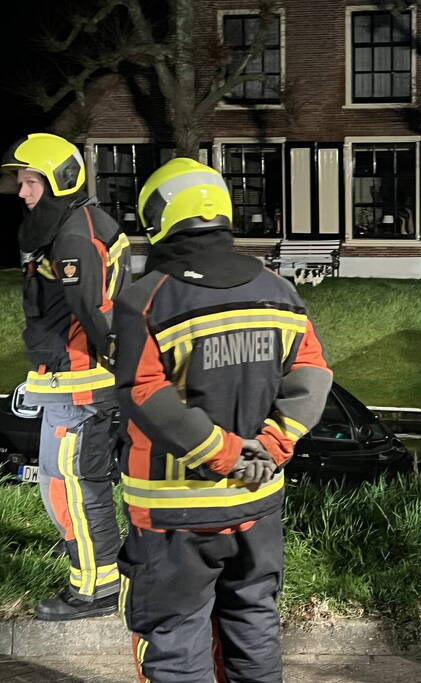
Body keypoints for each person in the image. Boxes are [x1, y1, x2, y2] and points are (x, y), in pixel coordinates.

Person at [112, 158, 332, 682]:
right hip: (257, 502)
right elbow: (312, 372)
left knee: (174, 640)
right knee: (253, 624)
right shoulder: (278, 289)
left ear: (159, 217)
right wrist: (274, 445)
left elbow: (144, 392)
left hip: (174, 513)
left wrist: (222, 453)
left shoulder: (145, 299)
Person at [0, 132, 131, 620]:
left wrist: (109, 362)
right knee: (68, 483)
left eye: (30, 181)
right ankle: (89, 557)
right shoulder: (76, 224)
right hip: (70, 381)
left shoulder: (74, 236)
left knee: (73, 484)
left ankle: (95, 586)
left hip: (80, 385)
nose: (22, 192)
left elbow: (93, 311)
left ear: (59, 180)